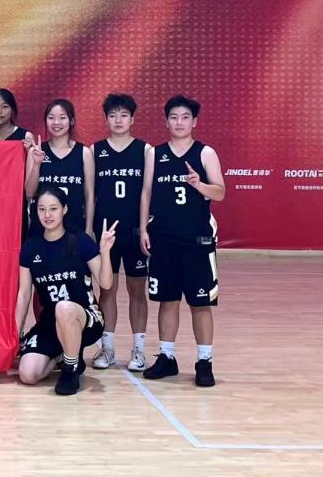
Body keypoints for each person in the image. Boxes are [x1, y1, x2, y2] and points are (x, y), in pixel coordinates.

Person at [140, 95, 226, 388]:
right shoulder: (155, 153)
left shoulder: (206, 153)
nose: (179, 122)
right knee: (168, 300)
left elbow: (220, 192)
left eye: (185, 117)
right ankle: (167, 357)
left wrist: (200, 185)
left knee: (201, 303)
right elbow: (146, 193)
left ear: (194, 122)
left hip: (196, 240)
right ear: (166, 121)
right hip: (163, 238)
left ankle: (204, 361)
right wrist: (143, 229)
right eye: (174, 117)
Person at [15, 187, 116, 395]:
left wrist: (105, 252)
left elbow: (106, 284)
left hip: (86, 319)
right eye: (42, 209)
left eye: (53, 208)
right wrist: (15, 334)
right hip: (52, 321)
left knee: (64, 308)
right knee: (28, 374)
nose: (47, 214)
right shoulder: (30, 248)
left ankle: (71, 368)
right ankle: (63, 354)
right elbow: (24, 294)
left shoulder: (80, 241)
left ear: (64, 209)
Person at [90, 93, 150, 372]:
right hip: (105, 233)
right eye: (113, 115)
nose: (118, 120)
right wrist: (91, 230)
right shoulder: (95, 150)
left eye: (123, 115)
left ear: (132, 119)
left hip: (134, 232)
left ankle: (139, 350)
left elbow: (147, 194)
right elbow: (91, 194)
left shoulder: (145, 150)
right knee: (107, 290)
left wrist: (145, 228)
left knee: (137, 291)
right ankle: (108, 348)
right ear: (106, 119)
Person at [24, 99, 95, 240]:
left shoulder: (84, 153)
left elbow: (90, 194)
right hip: (41, 230)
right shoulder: (36, 151)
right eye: (51, 118)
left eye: (62, 118)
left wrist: (88, 229)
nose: (56, 122)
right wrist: (37, 163)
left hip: (74, 229)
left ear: (72, 121)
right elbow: (29, 194)